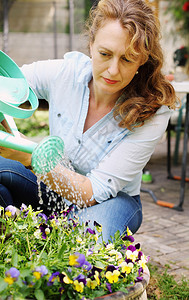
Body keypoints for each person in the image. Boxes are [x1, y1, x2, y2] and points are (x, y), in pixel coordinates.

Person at [0, 0, 178, 242]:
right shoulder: (66, 73)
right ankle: (18, 235)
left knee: (85, 239)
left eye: (127, 59)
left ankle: (48, 242)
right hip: (50, 189)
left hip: (112, 201)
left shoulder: (153, 111)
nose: (113, 70)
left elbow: (93, 192)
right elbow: (10, 83)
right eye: (105, 54)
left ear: (142, 60)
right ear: (91, 46)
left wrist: (29, 157)